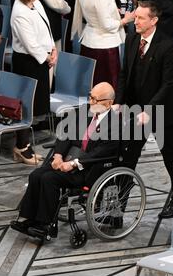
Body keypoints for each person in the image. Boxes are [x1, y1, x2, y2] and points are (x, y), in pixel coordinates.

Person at [10, 82, 121, 239]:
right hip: (68, 157)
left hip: (89, 168)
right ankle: (29, 219)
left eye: (96, 100)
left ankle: (45, 225)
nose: (91, 102)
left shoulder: (114, 125)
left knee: (49, 179)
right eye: (91, 97)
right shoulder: (85, 112)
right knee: (36, 175)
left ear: (109, 103)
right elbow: (66, 134)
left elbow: (99, 153)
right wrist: (58, 155)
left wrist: (73, 164)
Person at [114, 0, 173, 219]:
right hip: (136, 111)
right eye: (136, 17)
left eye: (141, 18)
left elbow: (168, 84)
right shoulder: (132, 38)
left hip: (160, 112)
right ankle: (119, 205)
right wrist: (119, 100)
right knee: (128, 157)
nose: (136, 21)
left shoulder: (168, 46)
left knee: (170, 156)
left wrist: (150, 110)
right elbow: (125, 73)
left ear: (154, 20)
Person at [10, 0, 56, 165]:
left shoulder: (35, 4)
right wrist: (47, 57)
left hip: (42, 60)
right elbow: (30, 44)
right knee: (25, 106)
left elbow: (47, 28)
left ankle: (25, 145)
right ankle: (21, 147)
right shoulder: (19, 11)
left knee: (34, 106)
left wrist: (53, 49)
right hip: (28, 63)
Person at [71, 0, 134, 88]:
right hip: (104, 46)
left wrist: (113, 10)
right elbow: (107, 25)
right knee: (106, 87)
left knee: (90, 83)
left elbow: (96, 11)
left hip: (89, 41)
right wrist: (126, 20)